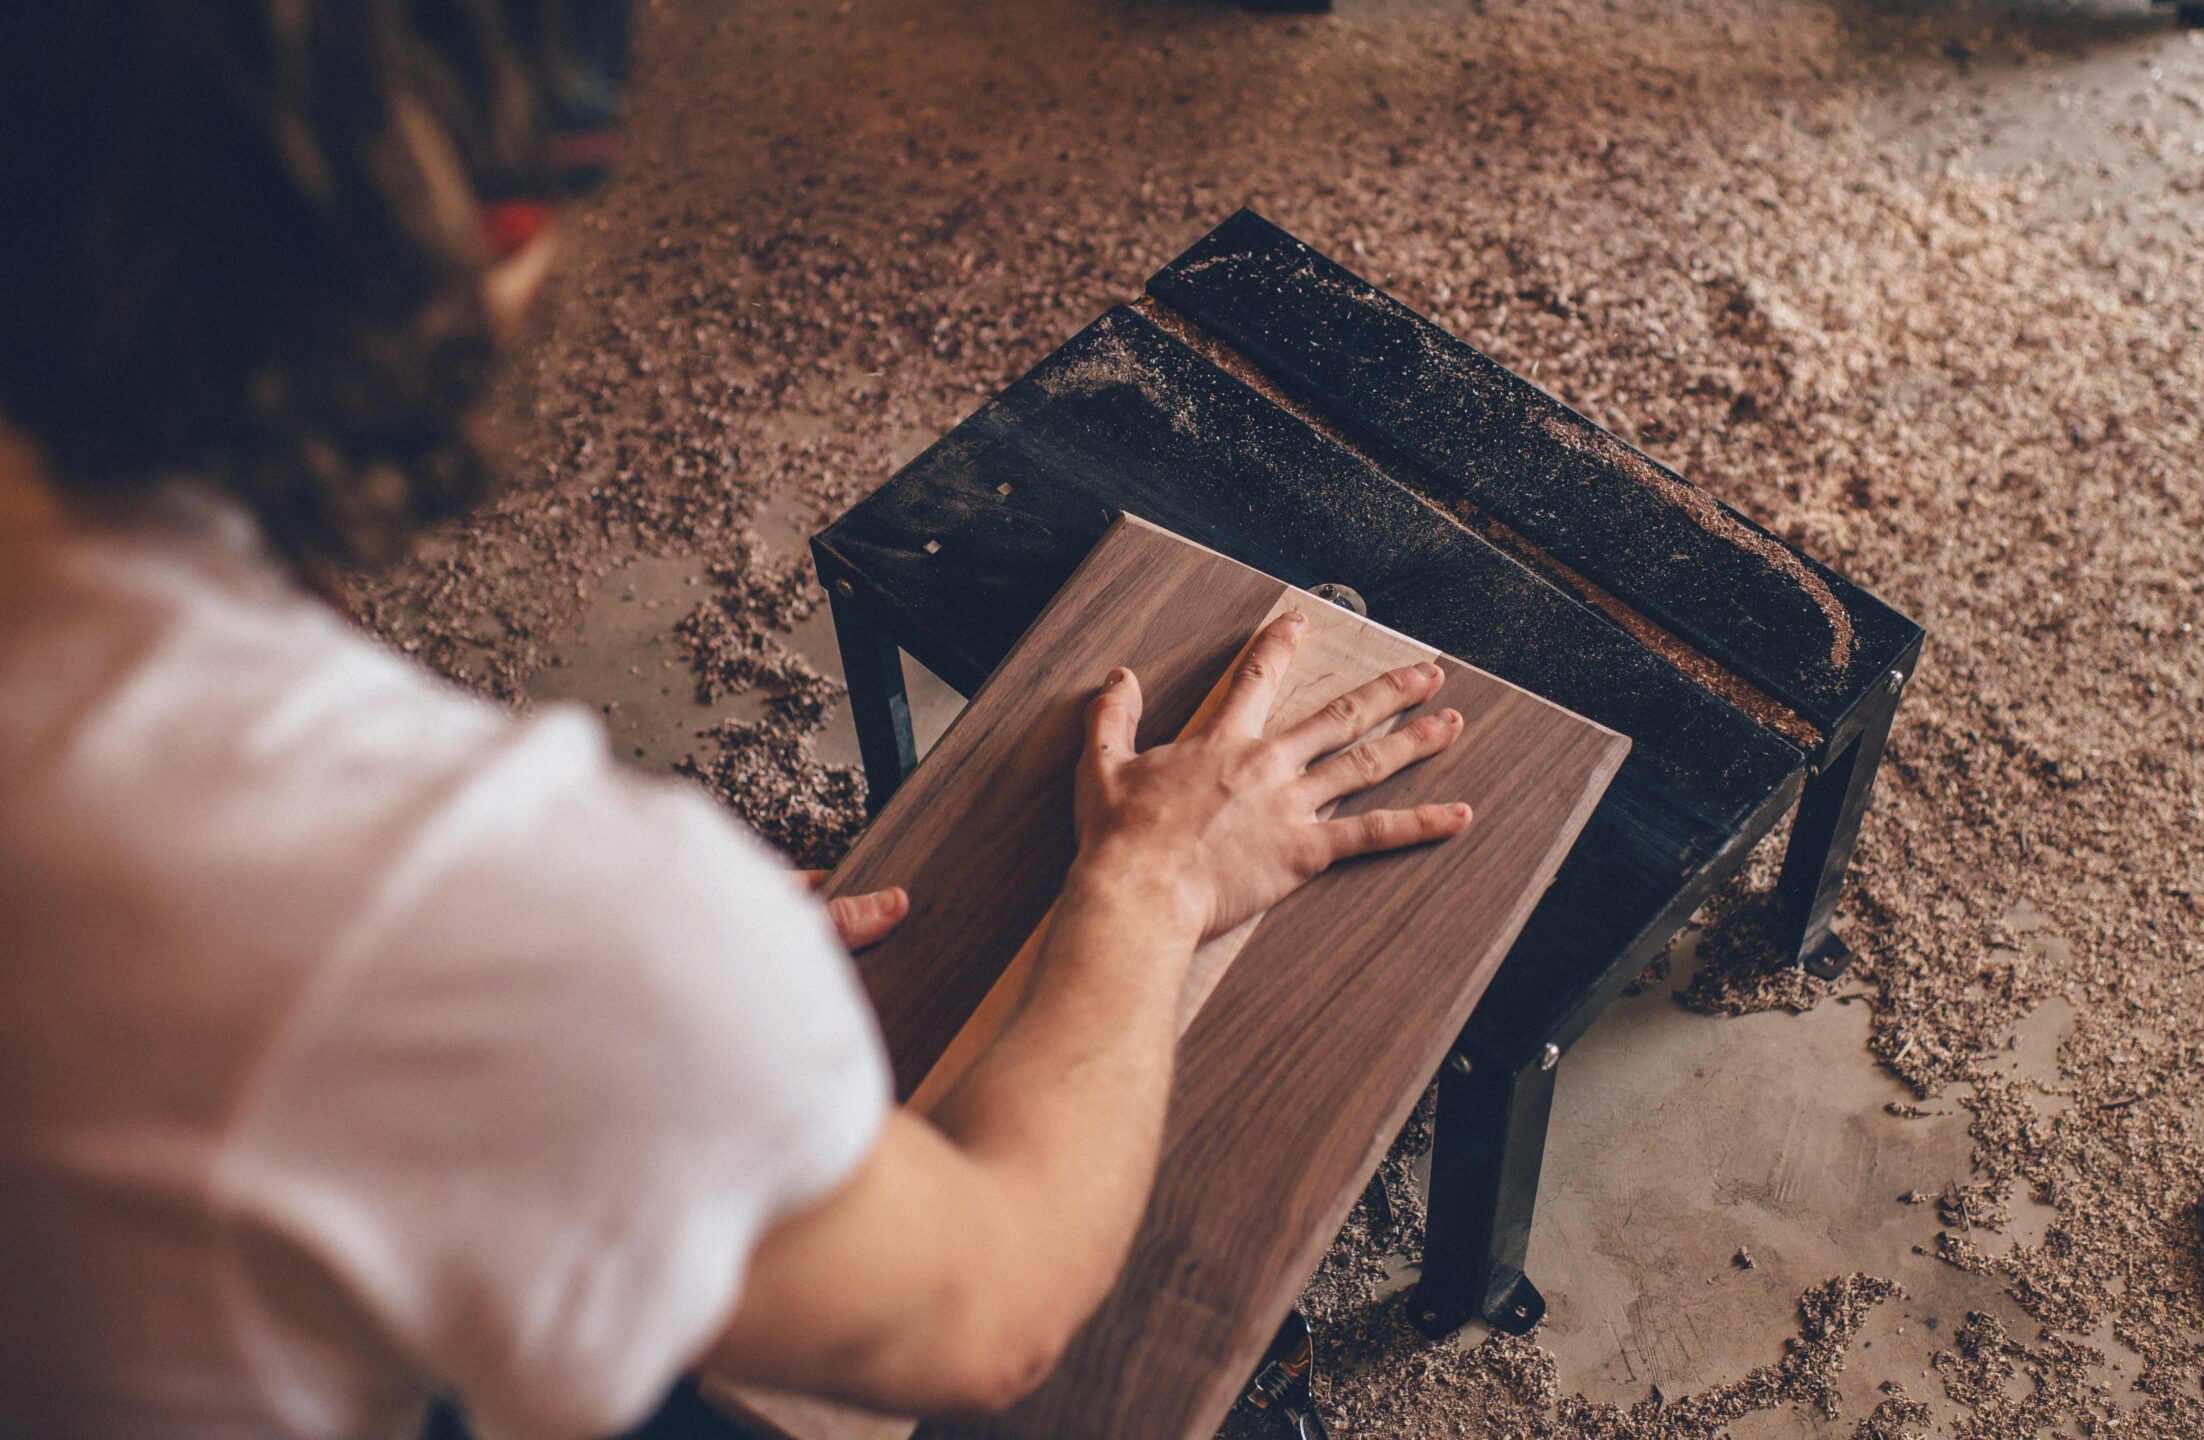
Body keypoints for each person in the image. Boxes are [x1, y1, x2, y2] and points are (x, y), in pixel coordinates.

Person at [0, 4, 1476, 1438]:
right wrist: (1152, 886)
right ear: (497, 239)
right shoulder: (467, 911)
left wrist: (613, 1010)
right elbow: (994, 1311)